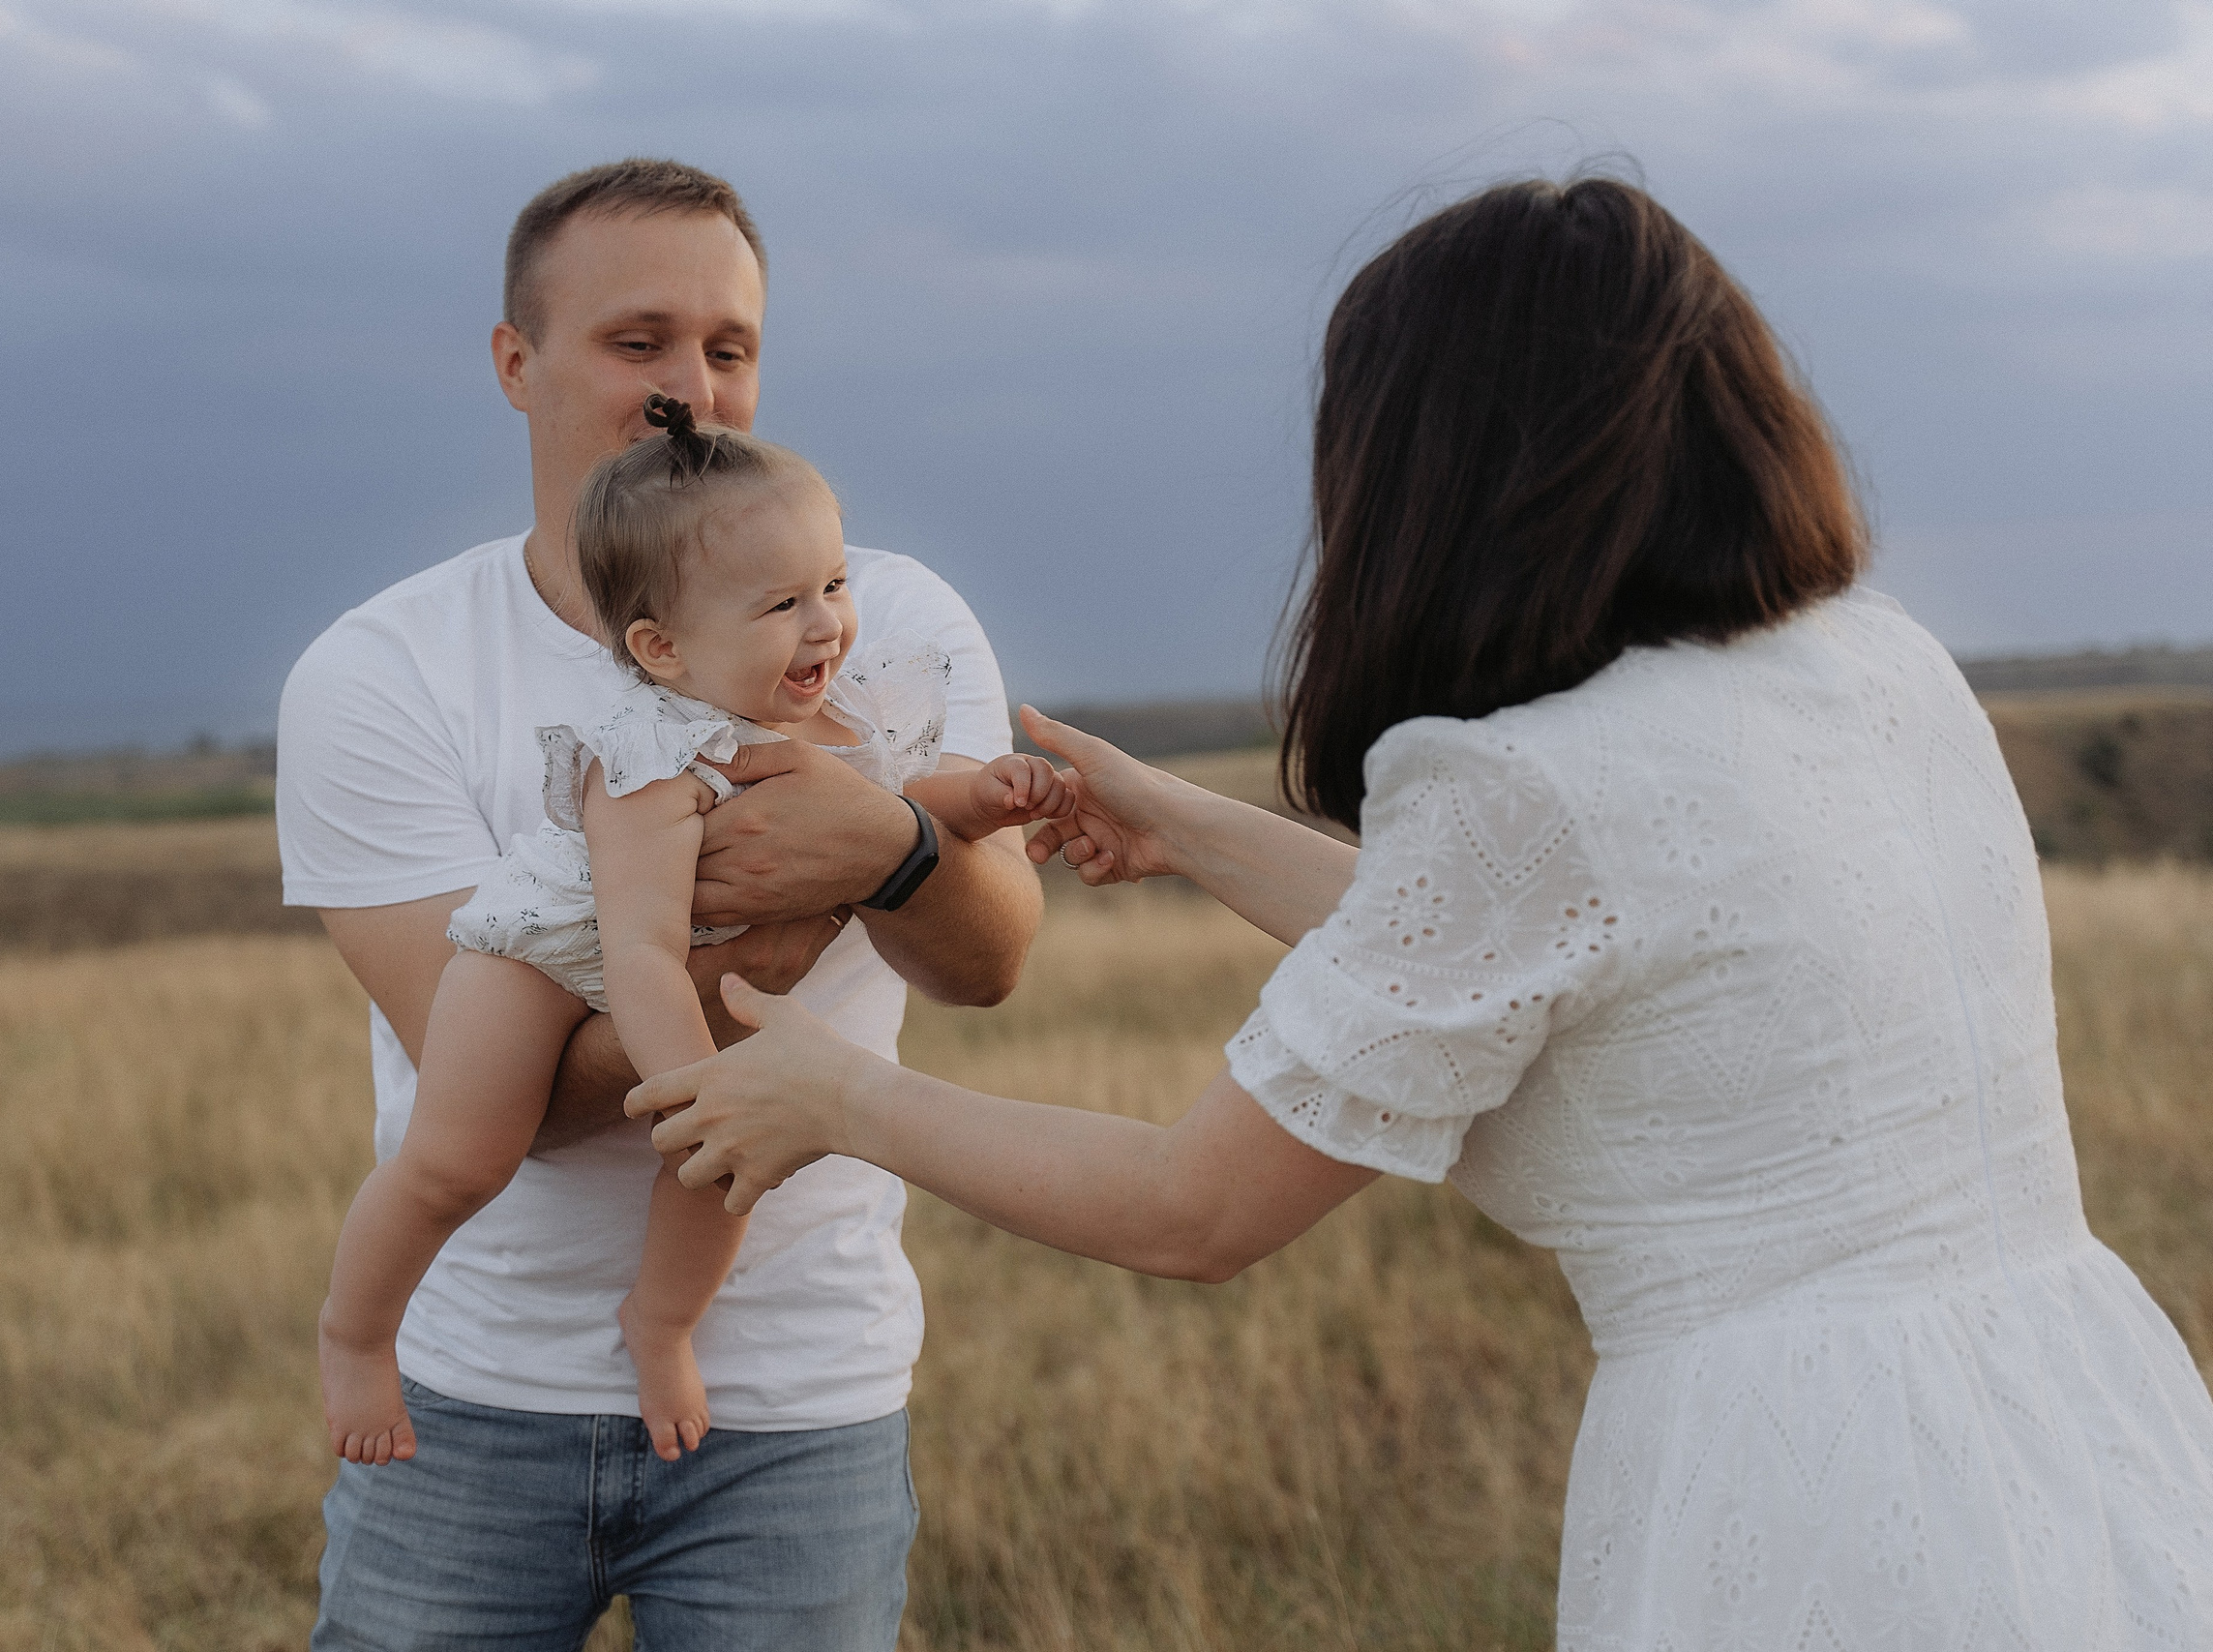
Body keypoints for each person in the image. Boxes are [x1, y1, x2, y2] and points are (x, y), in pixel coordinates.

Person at [631, 178, 2213, 1648]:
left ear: (1435, 466)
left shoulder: (1534, 785)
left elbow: (1194, 1208)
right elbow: (1559, 953)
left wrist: (842, 1094)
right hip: (2082, 1398)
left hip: (1793, 1481)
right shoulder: (1885, 664)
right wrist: (1181, 824)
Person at [278, 160, 1043, 1650]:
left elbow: (991, 958)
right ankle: (348, 1328)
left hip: (799, 1392)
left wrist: (910, 839)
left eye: (729, 346)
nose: (691, 382)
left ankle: (665, 1317)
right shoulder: (382, 669)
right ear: (518, 362)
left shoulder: (871, 618)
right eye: (639, 342)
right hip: (475, 1397)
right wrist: (785, 923)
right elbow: (513, 1085)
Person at [317, 396, 1073, 1471]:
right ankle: (355, 1335)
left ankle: (660, 1323)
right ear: (660, 646)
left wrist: (989, 797)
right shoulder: (644, 760)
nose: (826, 627)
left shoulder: (836, 709)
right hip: (547, 953)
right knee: (459, 1159)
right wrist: (689, 1087)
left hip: (680, 966)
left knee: (729, 1169)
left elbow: (906, 793)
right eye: (781, 604)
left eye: (833, 586)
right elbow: (633, 949)